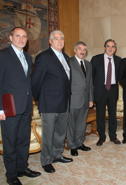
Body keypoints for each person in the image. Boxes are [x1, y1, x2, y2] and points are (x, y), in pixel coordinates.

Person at [0, 27, 41, 185]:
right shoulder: (3, 56)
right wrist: (0, 109)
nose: (21, 39)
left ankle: (22, 168)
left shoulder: (27, 56)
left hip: (26, 107)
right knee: (10, 141)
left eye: (24, 36)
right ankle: (11, 175)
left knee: (23, 140)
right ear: (10, 38)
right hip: (9, 107)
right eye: (17, 36)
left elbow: (27, 83)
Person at [32, 30, 73, 173]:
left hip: (64, 102)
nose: (60, 41)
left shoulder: (66, 57)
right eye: (56, 38)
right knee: (48, 134)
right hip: (49, 103)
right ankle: (46, 160)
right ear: (50, 41)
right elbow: (35, 81)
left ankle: (57, 154)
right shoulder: (43, 57)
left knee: (61, 132)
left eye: (62, 38)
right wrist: (38, 99)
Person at [91, 39, 122, 146]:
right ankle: (102, 137)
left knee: (112, 114)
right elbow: (91, 78)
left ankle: (113, 136)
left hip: (113, 89)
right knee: (100, 115)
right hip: (100, 89)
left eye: (113, 46)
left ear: (115, 49)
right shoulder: (96, 59)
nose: (110, 48)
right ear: (104, 47)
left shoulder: (119, 60)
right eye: (108, 46)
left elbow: (122, 77)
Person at [67, 41, 93, 156]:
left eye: (84, 49)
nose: (82, 51)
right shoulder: (69, 62)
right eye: (80, 49)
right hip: (72, 99)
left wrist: (91, 99)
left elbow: (90, 83)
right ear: (75, 50)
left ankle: (79, 143)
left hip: (85, 99)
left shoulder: (88, 64)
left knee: (82, 124)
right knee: (71, 124)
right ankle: (72, 145)